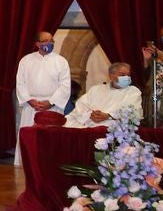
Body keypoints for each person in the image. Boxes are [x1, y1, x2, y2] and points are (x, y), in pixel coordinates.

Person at [14, 31, 71, 164]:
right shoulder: (26, 60)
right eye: (45, 41)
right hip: (31, 106)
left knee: (51, 139)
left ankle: (51, 163)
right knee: (29, 137)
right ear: (37, 44)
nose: (49, 43)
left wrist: (50, 103)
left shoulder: (61, 62)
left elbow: (65, 86)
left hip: (52, 107)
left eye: (51, 41)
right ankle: (25, 163)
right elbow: (20, 83)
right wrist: (29, 99)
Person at [65, 62, 143, 129]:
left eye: (128, 75)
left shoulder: (133, 91)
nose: (127, 77)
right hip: (91, 127)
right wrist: (91, 114)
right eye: (123, 75)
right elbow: (81, 106)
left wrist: (108, 116)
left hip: (115, 130)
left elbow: (135, 113)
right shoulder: (96, 89)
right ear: (111, 76)